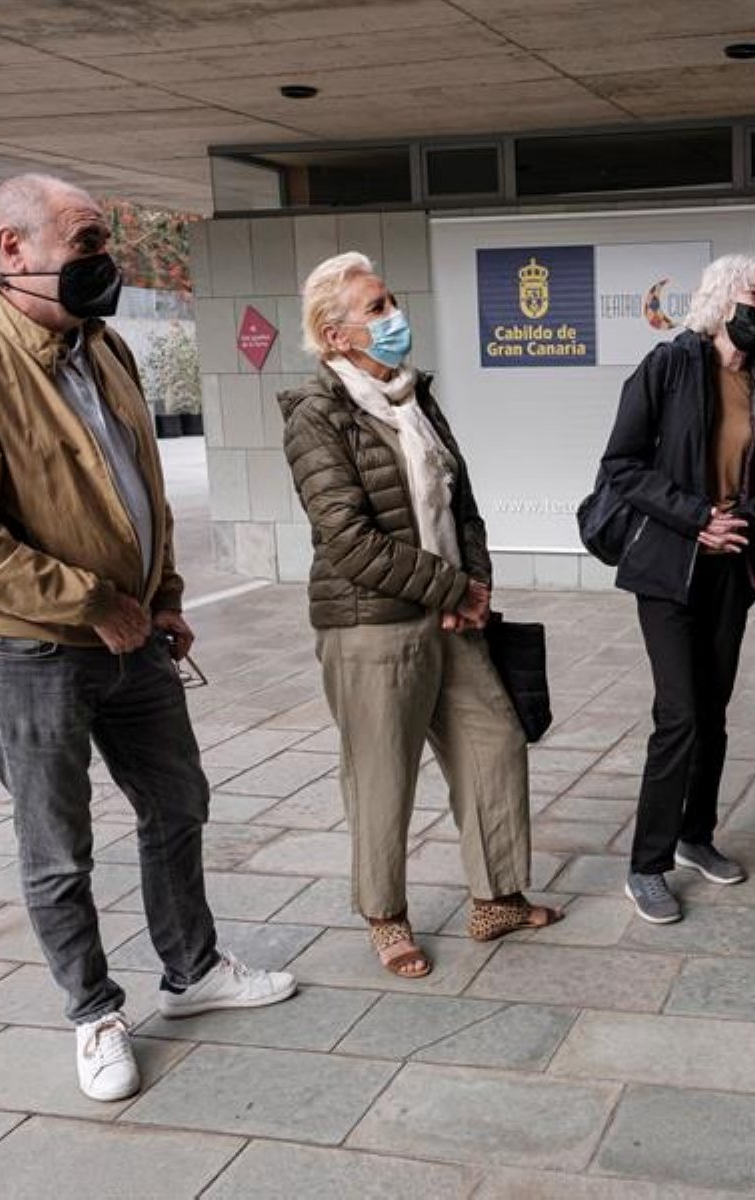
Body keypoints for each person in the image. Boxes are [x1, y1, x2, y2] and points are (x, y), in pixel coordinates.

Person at [0, 174, 295, 1103]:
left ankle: (192, 973)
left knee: (177, 802)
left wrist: (163, 594)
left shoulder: (102, 346)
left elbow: (137, 486)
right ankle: (93, 1012)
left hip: (134, 634)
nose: (104, 261)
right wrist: (89, 602)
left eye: (103, 241)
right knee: (57, 845)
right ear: (12, 250)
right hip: (32, 649)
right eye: (85, 244)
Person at [280, 251, 559, 980]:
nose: (394, 316)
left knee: (495, 741)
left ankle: (496, 897)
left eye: (390, 299)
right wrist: (449, 587)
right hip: (372, 622)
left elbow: (458, 502)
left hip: (449, 613)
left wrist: (478, 585)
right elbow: (347, 538)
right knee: (382, 771)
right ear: (337, 337)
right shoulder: (318, 416)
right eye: (377, 309)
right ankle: (386, 917)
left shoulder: (412, 398)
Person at [599, 253, 755, 925]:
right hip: (668, 566)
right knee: (680, 714)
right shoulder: (667, 367)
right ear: (720, 299)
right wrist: (696, 522)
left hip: (731, 567)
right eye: (754, 293)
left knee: (712, 712)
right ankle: (647, 865)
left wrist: (743, 520)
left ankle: (695, 836)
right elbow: (622, 465)